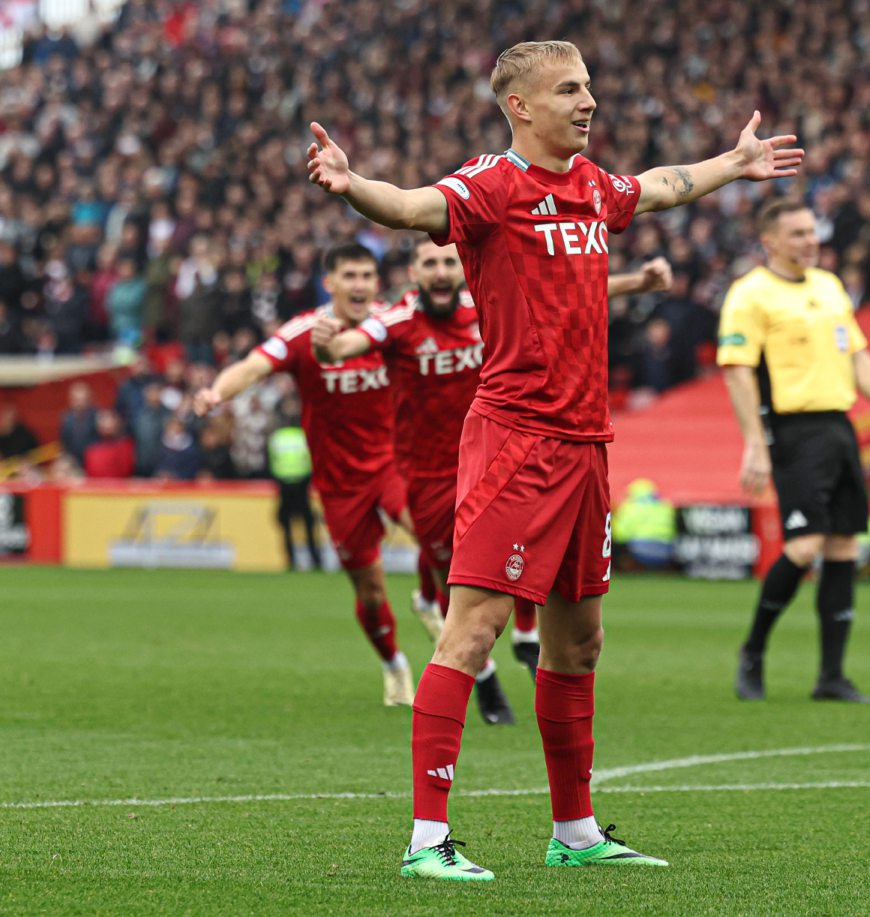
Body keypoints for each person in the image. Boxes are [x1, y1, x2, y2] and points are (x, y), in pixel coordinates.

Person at [305, 39, 802, 879]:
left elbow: (663, 185)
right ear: (521, 107)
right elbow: (410, 206)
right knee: (474, 631)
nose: (589, 102)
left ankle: (574, 831)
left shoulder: (593, 187)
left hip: (586, 446)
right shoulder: (492, 186)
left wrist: (736, 161)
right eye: (570, 90)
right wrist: (353, 186)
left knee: (580, 643)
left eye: (590, 87)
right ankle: (428, 840)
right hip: (515, 440)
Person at [315, 239, 672, 691]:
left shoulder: (485, 303)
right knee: (455, 576)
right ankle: (477, 669)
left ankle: (522, 633)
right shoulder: (398, 322)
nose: (441, 271)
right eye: (430, 263)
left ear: (462, 268)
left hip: (490, 453)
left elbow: (566, 290)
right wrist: (327, 349)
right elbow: (349, 344)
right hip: (426, 476)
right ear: (414, 274)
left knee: (520, 545)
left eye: (448, 261)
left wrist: (638, 282)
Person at [195, 244, 434, 710]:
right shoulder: (304, 333)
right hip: (340, 483)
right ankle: (394, 665)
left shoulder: (391, 326)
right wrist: (216, 393)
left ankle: (427, 599)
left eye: (368, 275)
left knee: (436, 535)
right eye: (351, 276)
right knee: (370, 591)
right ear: (331, 283)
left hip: (395, 464)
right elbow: (253, 365)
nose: (361, 285)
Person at [718, 198, 870, 704]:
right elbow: (738, 369)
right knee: (804, 546)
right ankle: (753, 651)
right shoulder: (751, 295)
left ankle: (831, 676)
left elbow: (857, 354)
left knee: (844, 547)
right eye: (798, 234)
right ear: (770, 242)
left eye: (812, 231)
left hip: (838, 425)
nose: (811, 240)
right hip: (792, 430)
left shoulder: (829, 287)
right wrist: (756, 443)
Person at [268, 396, 324, 572]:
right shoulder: (304, 436)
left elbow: (271, 462)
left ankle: (291, 561)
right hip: (302, 486)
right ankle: (315, 560)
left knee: (286, 526)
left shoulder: (276, 438)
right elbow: (313, 460)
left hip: (284, 486)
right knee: (308, 526)